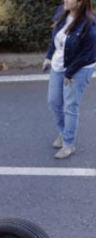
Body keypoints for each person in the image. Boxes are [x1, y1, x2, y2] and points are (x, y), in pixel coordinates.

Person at [43, 0, 96, 159]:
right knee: (54, 102)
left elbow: (86, 54)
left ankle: (69, 144)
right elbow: (56, 37)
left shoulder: (89, 25)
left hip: (80, 68)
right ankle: (64, 132)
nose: (66, 0)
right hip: (60, 64)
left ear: (80, 3)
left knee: (71, 106)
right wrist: (49, 57)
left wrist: (69, 73)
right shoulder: (62, 12)